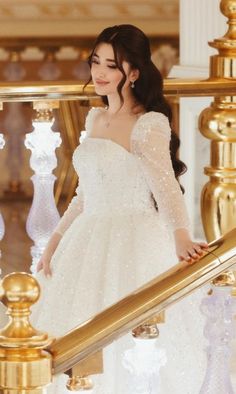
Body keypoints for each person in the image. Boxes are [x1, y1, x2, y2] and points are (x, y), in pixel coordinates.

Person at [33, 24, 208, 394]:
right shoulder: (95, 118)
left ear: (133, 73)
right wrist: (55, 240)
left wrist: (180, 236)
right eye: (96, 61)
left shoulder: (148, 124)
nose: (99, 72)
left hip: (133, 235)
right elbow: (84, 193)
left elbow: (166, 187)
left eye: (111, 65)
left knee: (124, 329)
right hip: (87, 236)